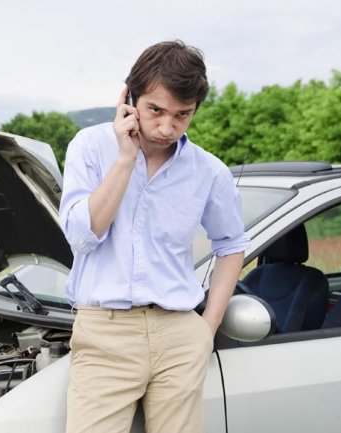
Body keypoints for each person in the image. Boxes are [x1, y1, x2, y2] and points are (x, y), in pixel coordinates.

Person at [58, 40, 250, 433]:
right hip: (105, 333)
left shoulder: (209, 172)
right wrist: (125, 158)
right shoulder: (92, 148)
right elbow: (82, 236)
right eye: (155, 111)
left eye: (183, 115)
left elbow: (231, 245)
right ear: (129, 98)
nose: (167, 127)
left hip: (180, 333)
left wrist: (206, 328)